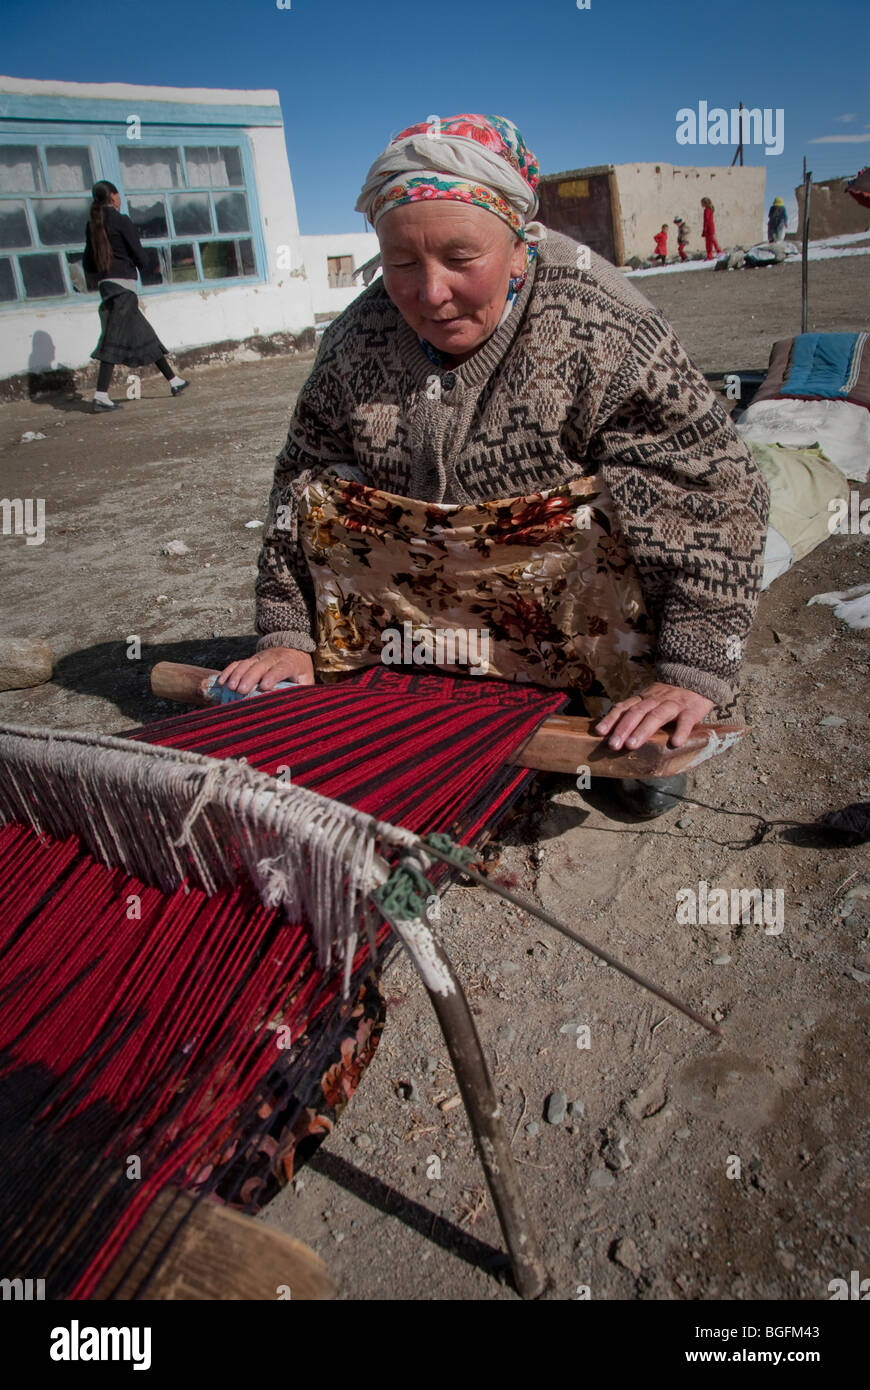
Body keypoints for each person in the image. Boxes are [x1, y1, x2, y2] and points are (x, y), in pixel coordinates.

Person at [221, 112, 767, 799]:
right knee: (326, 486)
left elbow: (717, 493)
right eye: (400, 264)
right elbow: (298, 488)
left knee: (634, 787)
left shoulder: (603, 328)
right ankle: (444, 676)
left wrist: (691, 674)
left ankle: (589, 687)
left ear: (520, 248)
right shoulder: (355, 342)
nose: (430, 293)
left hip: (574, 612)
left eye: (460, 259)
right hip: (426, 621)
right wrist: (287, 635)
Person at [82, 181, 188, 413]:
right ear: (112, 196)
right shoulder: (121, 221)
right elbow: (138, 253)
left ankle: (174, 381)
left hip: (107, 285)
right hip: (123, 287)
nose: (120, 199)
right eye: (118, 195)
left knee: (145, 334)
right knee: (112, 338)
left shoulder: (93, 224)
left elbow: (88, 261)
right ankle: (101, 395)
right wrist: (145, 265)